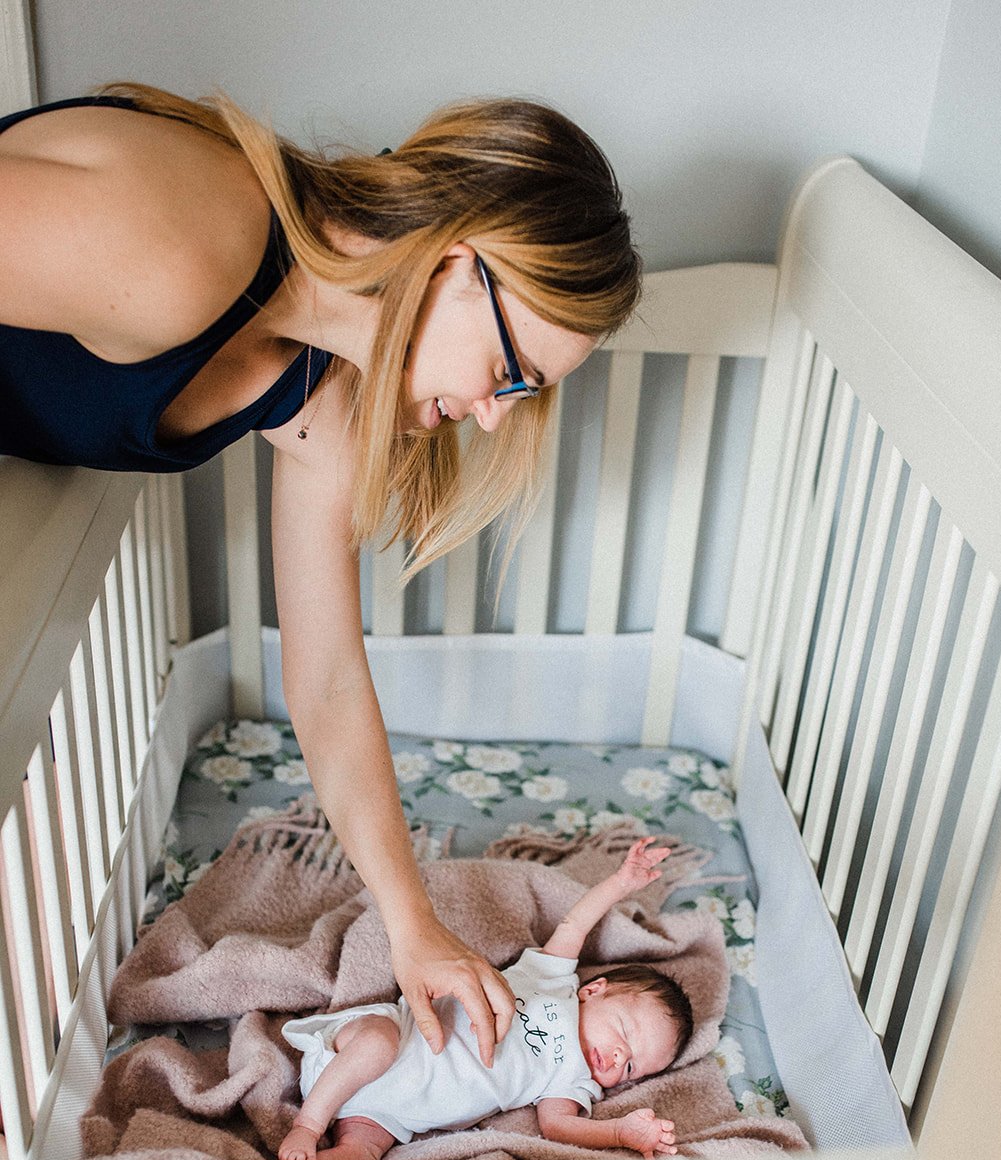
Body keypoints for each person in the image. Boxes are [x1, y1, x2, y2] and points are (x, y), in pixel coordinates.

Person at [0, 86, 641, 1068]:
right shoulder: (188, 249)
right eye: (514, 374)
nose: (495, 415)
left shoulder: (323, 389)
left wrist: (414, 922)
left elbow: (330, 678)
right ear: (460, 267)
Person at [277, 837, 693, 1160]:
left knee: (363, 1154)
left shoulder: (574, 1081)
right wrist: (619, 884)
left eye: (632, 1067)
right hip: (381, 1047)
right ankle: (309, 1125)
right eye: (624, 1032)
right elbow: (575, 924)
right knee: (378, 1042)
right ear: (594, 990)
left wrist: (620, 1133)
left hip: (389, 1116)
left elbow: (560, 1127)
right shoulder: (553, 982)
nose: (619, 1058)